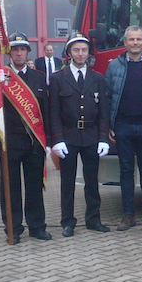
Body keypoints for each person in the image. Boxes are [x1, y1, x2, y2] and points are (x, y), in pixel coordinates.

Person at [49, 31, 112, 236]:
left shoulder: (98, 79)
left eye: (84, 50)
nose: (80, 54)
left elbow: (104, 111)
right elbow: (54, 112)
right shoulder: (58, 79)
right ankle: (68, 222)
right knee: (67, 182)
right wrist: (57, 139)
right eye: (76, 50)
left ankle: (93, 219)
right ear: (69, 53)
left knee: (92, 181)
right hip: (68, 136)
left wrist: (103, 138)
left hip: (92, 136)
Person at [106, 26, 142, 231]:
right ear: (125, 43)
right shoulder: (114, 66)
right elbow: (108, 97)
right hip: (122, 126)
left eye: (139, 39)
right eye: (131, 39)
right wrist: (109, 125)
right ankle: (128, 214)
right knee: (126, 171)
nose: (135, 43)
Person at [0, 31, 51, 243]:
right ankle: (13, 227)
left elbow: (45, 110)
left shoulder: (38, 77)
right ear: (9, 52)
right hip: (9, 141)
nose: (19, 53)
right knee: (10, 186)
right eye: (15, 49)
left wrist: (49, 141)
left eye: (22, 49)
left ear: (28, 52)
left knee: (34, 185)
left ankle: (37, 226)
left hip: (34, 140)